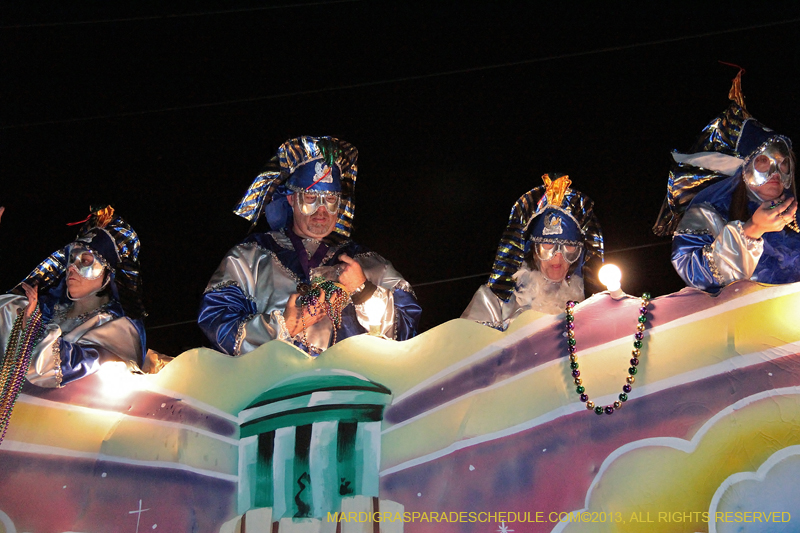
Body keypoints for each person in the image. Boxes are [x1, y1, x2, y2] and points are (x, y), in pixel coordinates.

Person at [198, 136, 421, 356]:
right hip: (279, 387)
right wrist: (282, 327)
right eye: (311, 197)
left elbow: (406, 329)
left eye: (331, 199)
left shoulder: (367, 262)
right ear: (292, 200)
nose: (322, 210)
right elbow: (216, 320)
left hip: (353, 386)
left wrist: (363, 290)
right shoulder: (250, 257)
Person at [653, 69, 799, 290]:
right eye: (763, 161)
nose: (776, 171)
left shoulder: (796, 216)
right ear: (744, 167)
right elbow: (694, 272)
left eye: (783, 162)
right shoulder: (709, 213)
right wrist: (751, 230)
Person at [0, 205, 147, 389]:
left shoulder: (117, 328)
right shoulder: (37, 308)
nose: (71, 267)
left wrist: (30, 328)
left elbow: (55, 370)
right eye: (70, 260)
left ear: (109, 273)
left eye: (84, 261)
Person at [462, 173, 604, 330]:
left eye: (569, 246)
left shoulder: (590, 304)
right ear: (533, 249)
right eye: (548, 245)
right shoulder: (494, 301)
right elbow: (467, 344)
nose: (558, 255)